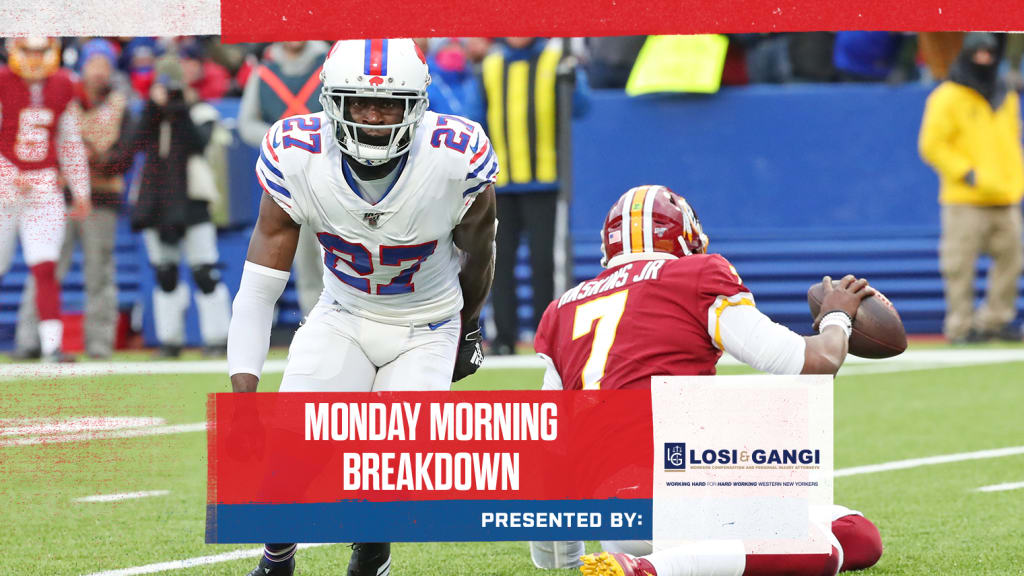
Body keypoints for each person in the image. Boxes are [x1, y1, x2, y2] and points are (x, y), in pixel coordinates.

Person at [226, 38, 498, 576]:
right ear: (334, 102)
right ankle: (276, 556)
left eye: (389, 104)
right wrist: (243, 400)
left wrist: (466, 329)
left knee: (392, 466)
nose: (374, 117)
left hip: (427, 324)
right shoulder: (298, 152)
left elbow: (480, 251)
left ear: (416, 106)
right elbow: (258, 288)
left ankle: (372, 552)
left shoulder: (455, 155)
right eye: (360, 103)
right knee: (292, 446)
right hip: (344, 314)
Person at [531, 186, 884, 576]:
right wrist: (837, 317)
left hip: (618, 516)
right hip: (680, 494)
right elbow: (814, 363)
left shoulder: (561, 309)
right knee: (821, 551)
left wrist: (560, 561)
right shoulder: (695, 274)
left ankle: (651, 561)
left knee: (857, 536)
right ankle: (652, 570)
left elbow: (552, 449)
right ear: (687, 237)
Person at [14, 38, 134, 360]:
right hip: (55, 195)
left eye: (105, 65)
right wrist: (71, 160)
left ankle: (98, 345)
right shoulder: (63, 93)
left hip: (103, 199)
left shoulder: (120, 103)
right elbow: (48, 144)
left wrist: (88, 157)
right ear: (83, 65)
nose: (98, 71)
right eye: (94, 63)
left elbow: (125, 154)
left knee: (100, 274)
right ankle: (30, 340)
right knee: (45, 268)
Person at [481, 37, 588, 355]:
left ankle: (549, 337)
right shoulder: (490, 65)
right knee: (498, 264)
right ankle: (503, 338)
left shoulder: (556, 60)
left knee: (545, 264)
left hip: (545, 181)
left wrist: (575, 79)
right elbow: (476, 117)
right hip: (500, 184)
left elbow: (580, 108)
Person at [919, 32, 1024, 344]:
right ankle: (961, 326)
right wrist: (966, 173)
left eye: (989, 53)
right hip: (965, 198)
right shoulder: (948, 96)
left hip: (1004, 196)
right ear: (966, 55)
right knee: (959, 266)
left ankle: (995, 319)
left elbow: (1011, 142)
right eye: (978, 53)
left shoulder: (1005, 95)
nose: (984, 59)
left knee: (1012, 261)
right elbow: (932, 145)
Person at [128, 54, 232, 357]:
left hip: (194, 203)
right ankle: (169, 339)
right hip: (157, 205)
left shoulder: (201, 112)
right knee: (165, 273)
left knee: (205, 272)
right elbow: (131, 144)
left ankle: (217, 338)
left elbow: (198, 143)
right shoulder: (149, 115)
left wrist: (180, 108)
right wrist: (154, 108)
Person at [0, 37, 91, 362]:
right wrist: (9, 175)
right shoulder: (3, 82)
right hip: (3, 189)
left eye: (41, 51)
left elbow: (70, 142)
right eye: (29, 51)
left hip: (44, 189)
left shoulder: (63, 84)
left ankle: (52, 346)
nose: (36, 59)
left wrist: (81, 190)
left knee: (45, 266)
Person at [237, 40, 330, 316]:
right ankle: (313, 326)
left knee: (337, 256)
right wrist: (283, 143)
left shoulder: (329, 65)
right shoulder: (263, 72)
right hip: (289, 180)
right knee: (304, 262)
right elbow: (247, 123)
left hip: (330, 170)